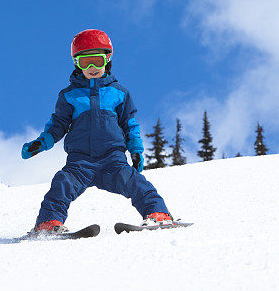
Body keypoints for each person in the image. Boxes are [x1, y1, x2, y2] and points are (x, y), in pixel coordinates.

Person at [21, 28, 173, 235]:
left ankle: (158, 215)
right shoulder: (69, 95)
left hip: (113, 160)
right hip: (80, 162)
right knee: (62, 184)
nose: (92, 67)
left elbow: (129, 124)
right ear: (76, 64)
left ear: (108, 60)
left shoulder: (119, 93)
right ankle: (48, 223)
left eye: (97, 61)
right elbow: (58, 125)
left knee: (138, 183)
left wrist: (135, 150)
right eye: (85, 62)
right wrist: (42, 143)